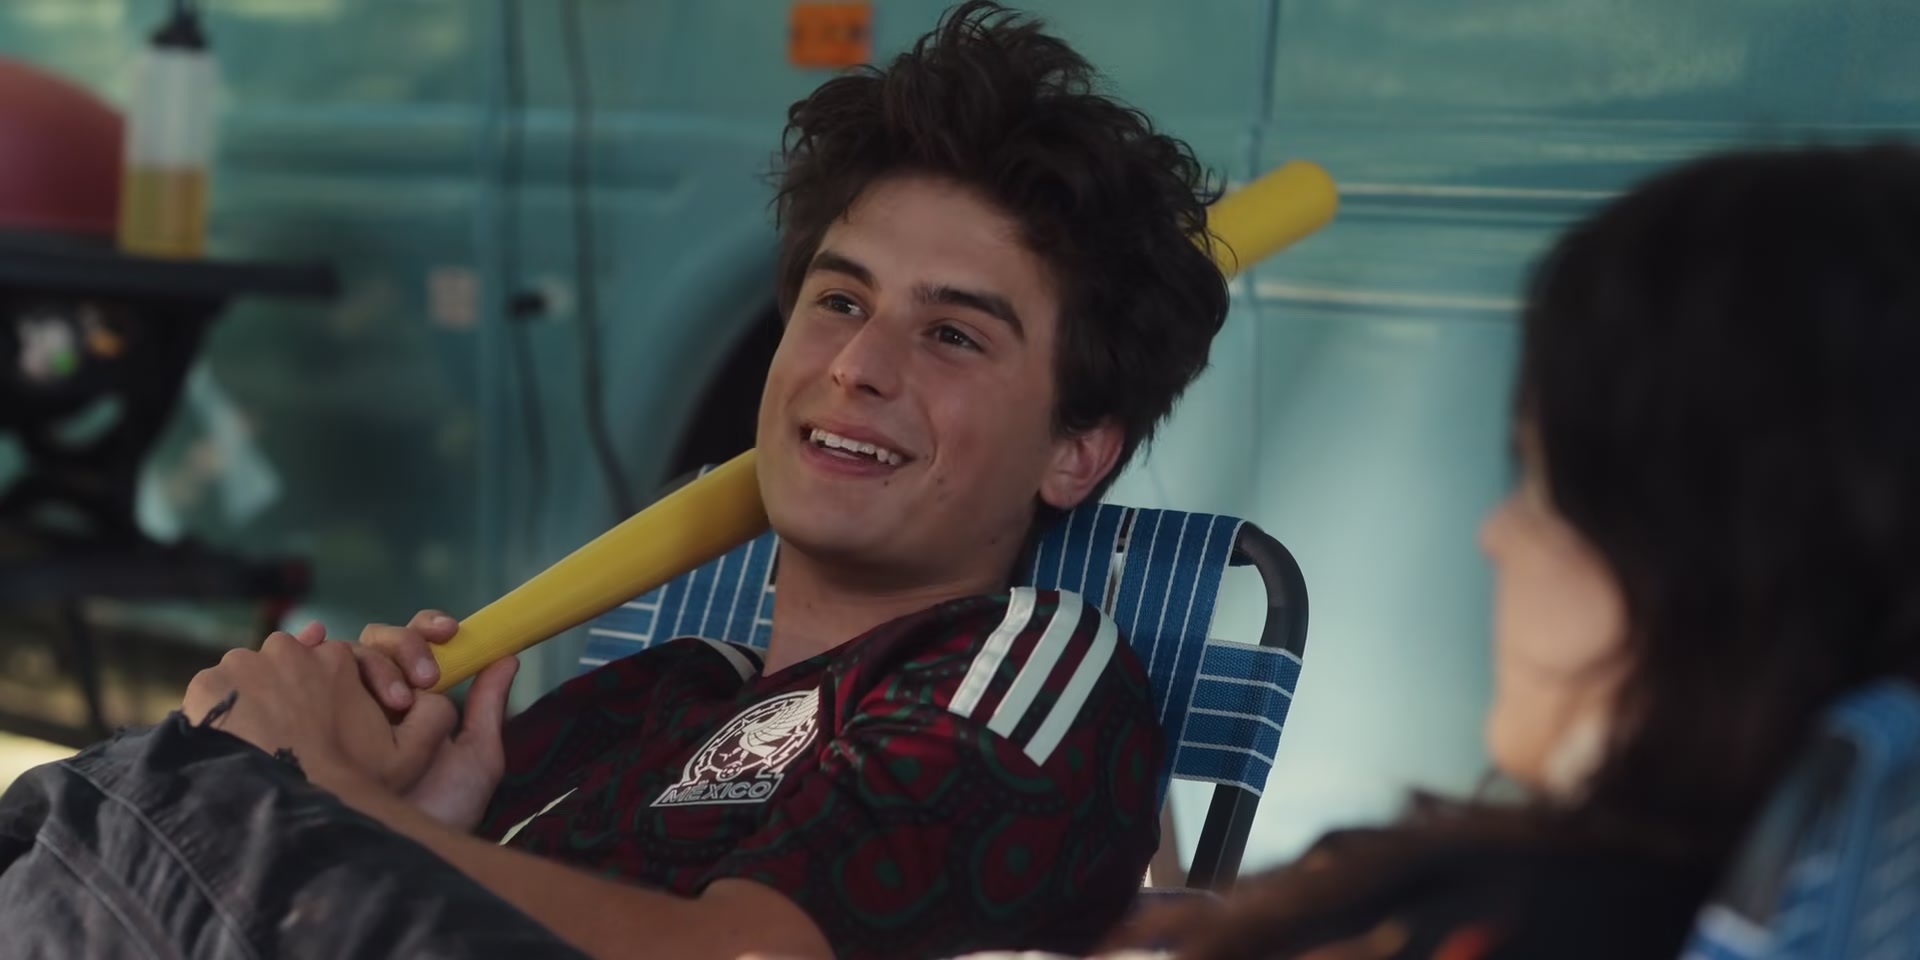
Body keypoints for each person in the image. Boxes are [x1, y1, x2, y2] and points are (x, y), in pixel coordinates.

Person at [0, 3, 1231, 959]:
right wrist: (408, 806)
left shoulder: (1025, 660)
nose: (857, 365)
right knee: (139, 794)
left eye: (953, 333)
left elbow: (748, 956)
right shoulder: (654, 690)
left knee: (168, 802)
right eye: (839, 301)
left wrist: (318, 799)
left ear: (1078, 449)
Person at [965, 143, 1920, 960]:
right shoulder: (1799, 884)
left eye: (1544, 488)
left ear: (1702, 553)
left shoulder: (1548, 920)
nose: (1494, 534)